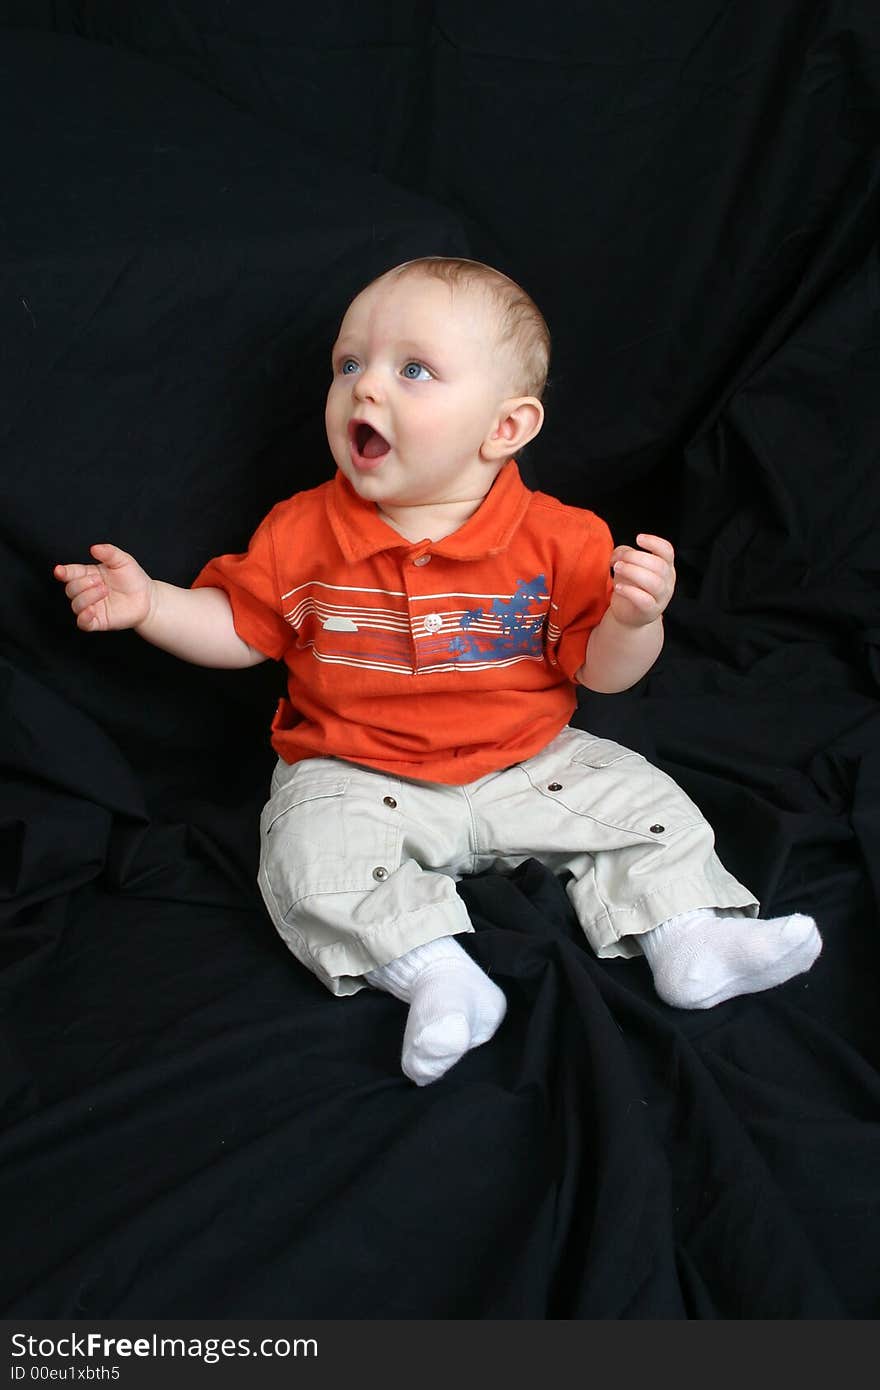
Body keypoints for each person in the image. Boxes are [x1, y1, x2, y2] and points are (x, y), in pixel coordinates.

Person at [53, 256, 822, 1086]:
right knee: (308, 855)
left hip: (529, 762)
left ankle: (689, 938)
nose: (365, 388)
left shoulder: (563, 541)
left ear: (506, 428)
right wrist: (154, 605)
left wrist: (637, 620)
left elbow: (604, 678)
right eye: (349, 364)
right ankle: (436, 974)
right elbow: (242, 629)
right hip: (354, 770)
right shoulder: (301, 529)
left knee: (640, 798)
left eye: (412, 370)